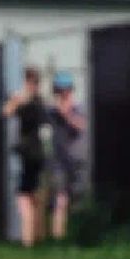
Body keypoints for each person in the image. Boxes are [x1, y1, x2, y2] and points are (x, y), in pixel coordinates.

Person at [2, 66, 48, 246]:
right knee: (35, 197)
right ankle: (38, 236)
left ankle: (28, 239)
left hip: (29, 153)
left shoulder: (26, 101)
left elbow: (7, 111)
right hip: (40, 154)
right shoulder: (41, 102)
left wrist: (16, 98)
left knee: (23, 197)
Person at [48, 72, 88, 241]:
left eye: (65, 90)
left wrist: (66, 114)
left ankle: (77, 235)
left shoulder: (78, 107)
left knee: (77, 198)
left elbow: (81, 126)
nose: (63, 94)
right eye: (59, 91)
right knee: (60, 198)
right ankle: (59, 237)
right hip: (59, 161)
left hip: (76, 159)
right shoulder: (51, 111)